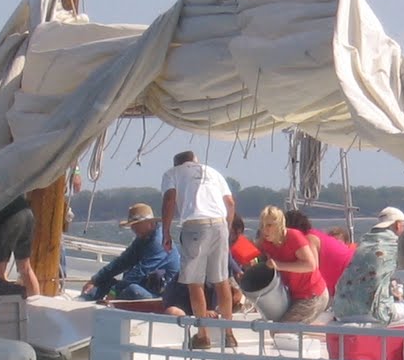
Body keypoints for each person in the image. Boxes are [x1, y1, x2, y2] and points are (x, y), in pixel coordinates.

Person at [160, 149, 237, 349]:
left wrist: (166, 232)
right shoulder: (212, 172)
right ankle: (229, 334)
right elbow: (230, 203)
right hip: (219, 225)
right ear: (196, 161)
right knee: (221, 281)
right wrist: (227, 229)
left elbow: (169, 199)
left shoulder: (172, 173)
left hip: (195, 225)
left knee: (195, 283)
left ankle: (203, 336)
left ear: (177, 163)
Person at [79, 202, 179, 302]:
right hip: (143, 286)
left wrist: (114, 291)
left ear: (150, 223)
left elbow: (140, 271)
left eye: (137, 224)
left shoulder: (160, 242)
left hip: (160, 294)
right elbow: (121, 262)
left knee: (132, 290)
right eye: (132, 225)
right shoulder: (142, 239)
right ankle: (83, 299)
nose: (133, 228)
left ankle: (110, 302)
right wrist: (95, 280)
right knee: (104, 281)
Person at [332, 206, 404, 325]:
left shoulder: (364, 244)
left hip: (342, 312)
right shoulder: (396, 244)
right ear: (397, 225)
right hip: (375, 313)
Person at [256, 205, 328, 323]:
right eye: (262, 226)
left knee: (282, 330)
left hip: (313, 294)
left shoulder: (293, 236)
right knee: (275, 327)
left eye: (269, 225)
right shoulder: (266, 242)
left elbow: (310, 265)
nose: (265, 230)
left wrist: (279, 265)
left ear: (279, 225)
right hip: (293, 295)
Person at [0, 194, 41, 296]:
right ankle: (36, 301)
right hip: (25, 212)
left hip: (5, 216)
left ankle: (4, 304)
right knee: (25, 268)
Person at [285, 210, 356, 297]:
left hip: (352, 274)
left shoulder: (308, 240)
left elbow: (312, 273)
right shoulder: (314, 235)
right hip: (351, 274)